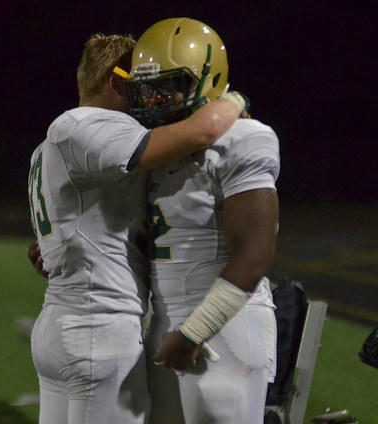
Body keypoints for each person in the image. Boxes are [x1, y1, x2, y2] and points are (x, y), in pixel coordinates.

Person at [27, 33, 247, 424]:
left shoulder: (48, 145)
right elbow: (204, 131)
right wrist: (234, 100)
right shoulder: (86, 125)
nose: (152, 98)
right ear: (116, 83)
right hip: (98, 324)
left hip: (60, 321)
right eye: (143, 85)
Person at [123, 18, 280, 423]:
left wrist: (194, 332)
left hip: (222, 329)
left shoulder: (244, 139)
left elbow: (255, 255)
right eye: (149, 90)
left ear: (209, 81)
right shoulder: (159, 146)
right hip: (164, 320)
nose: (156, 101)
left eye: (169, 87)